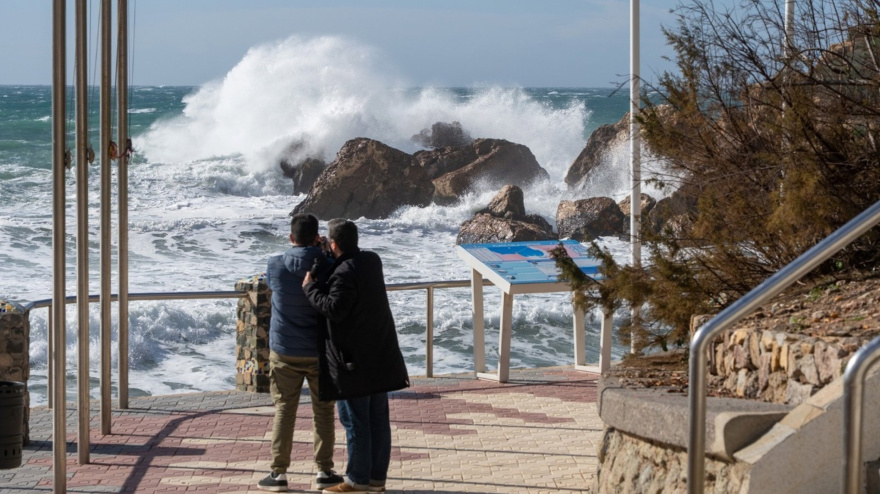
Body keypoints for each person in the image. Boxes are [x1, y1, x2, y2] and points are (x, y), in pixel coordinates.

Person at [302, 219, 410, 494]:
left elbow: (335, 309)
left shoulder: (343, 273)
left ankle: (357, 480)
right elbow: (348, 273)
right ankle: (376, 480)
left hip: (354, 362)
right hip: (380, 355)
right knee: (378, 420)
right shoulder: (372, 261)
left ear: (334, 243)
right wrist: (329, 256)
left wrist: (310, 288)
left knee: (355, 421)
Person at [257, 213, 344, 493]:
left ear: (291, 237)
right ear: (318, 237)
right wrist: (324, 254)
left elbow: (272, 285)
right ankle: (324, 471)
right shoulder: (329, 265)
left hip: (285, 350)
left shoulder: (276, 264)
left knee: (285, 410)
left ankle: (278, 473)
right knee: (323, 411)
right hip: (319, 350)